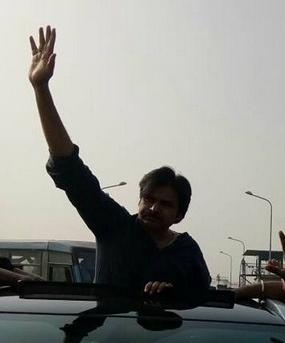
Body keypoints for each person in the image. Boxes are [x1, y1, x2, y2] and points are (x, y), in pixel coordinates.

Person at [28, 26, 210, 298]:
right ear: (138, 200)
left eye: (165, 204)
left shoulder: (188, 253)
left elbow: (203, 304)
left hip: (169, 341)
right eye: (148, 199)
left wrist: (173, 296)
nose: (153, 207)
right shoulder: (114, 226)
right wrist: (41, 88)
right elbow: (70, 169)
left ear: (180, 215)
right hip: (108, 338)